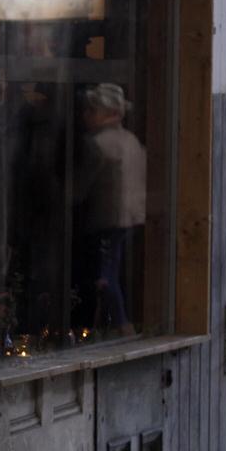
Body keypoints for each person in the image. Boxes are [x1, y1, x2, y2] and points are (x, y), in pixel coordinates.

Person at [73, 83, 147, 337]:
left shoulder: (97, 144)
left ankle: (120, 324)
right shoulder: (132, 140)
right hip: (131, 217)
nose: (87, 115)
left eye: (93, 110)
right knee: (113, 270)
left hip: (106, 220)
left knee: (104, 276)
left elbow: (79, 188)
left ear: (110, 113)